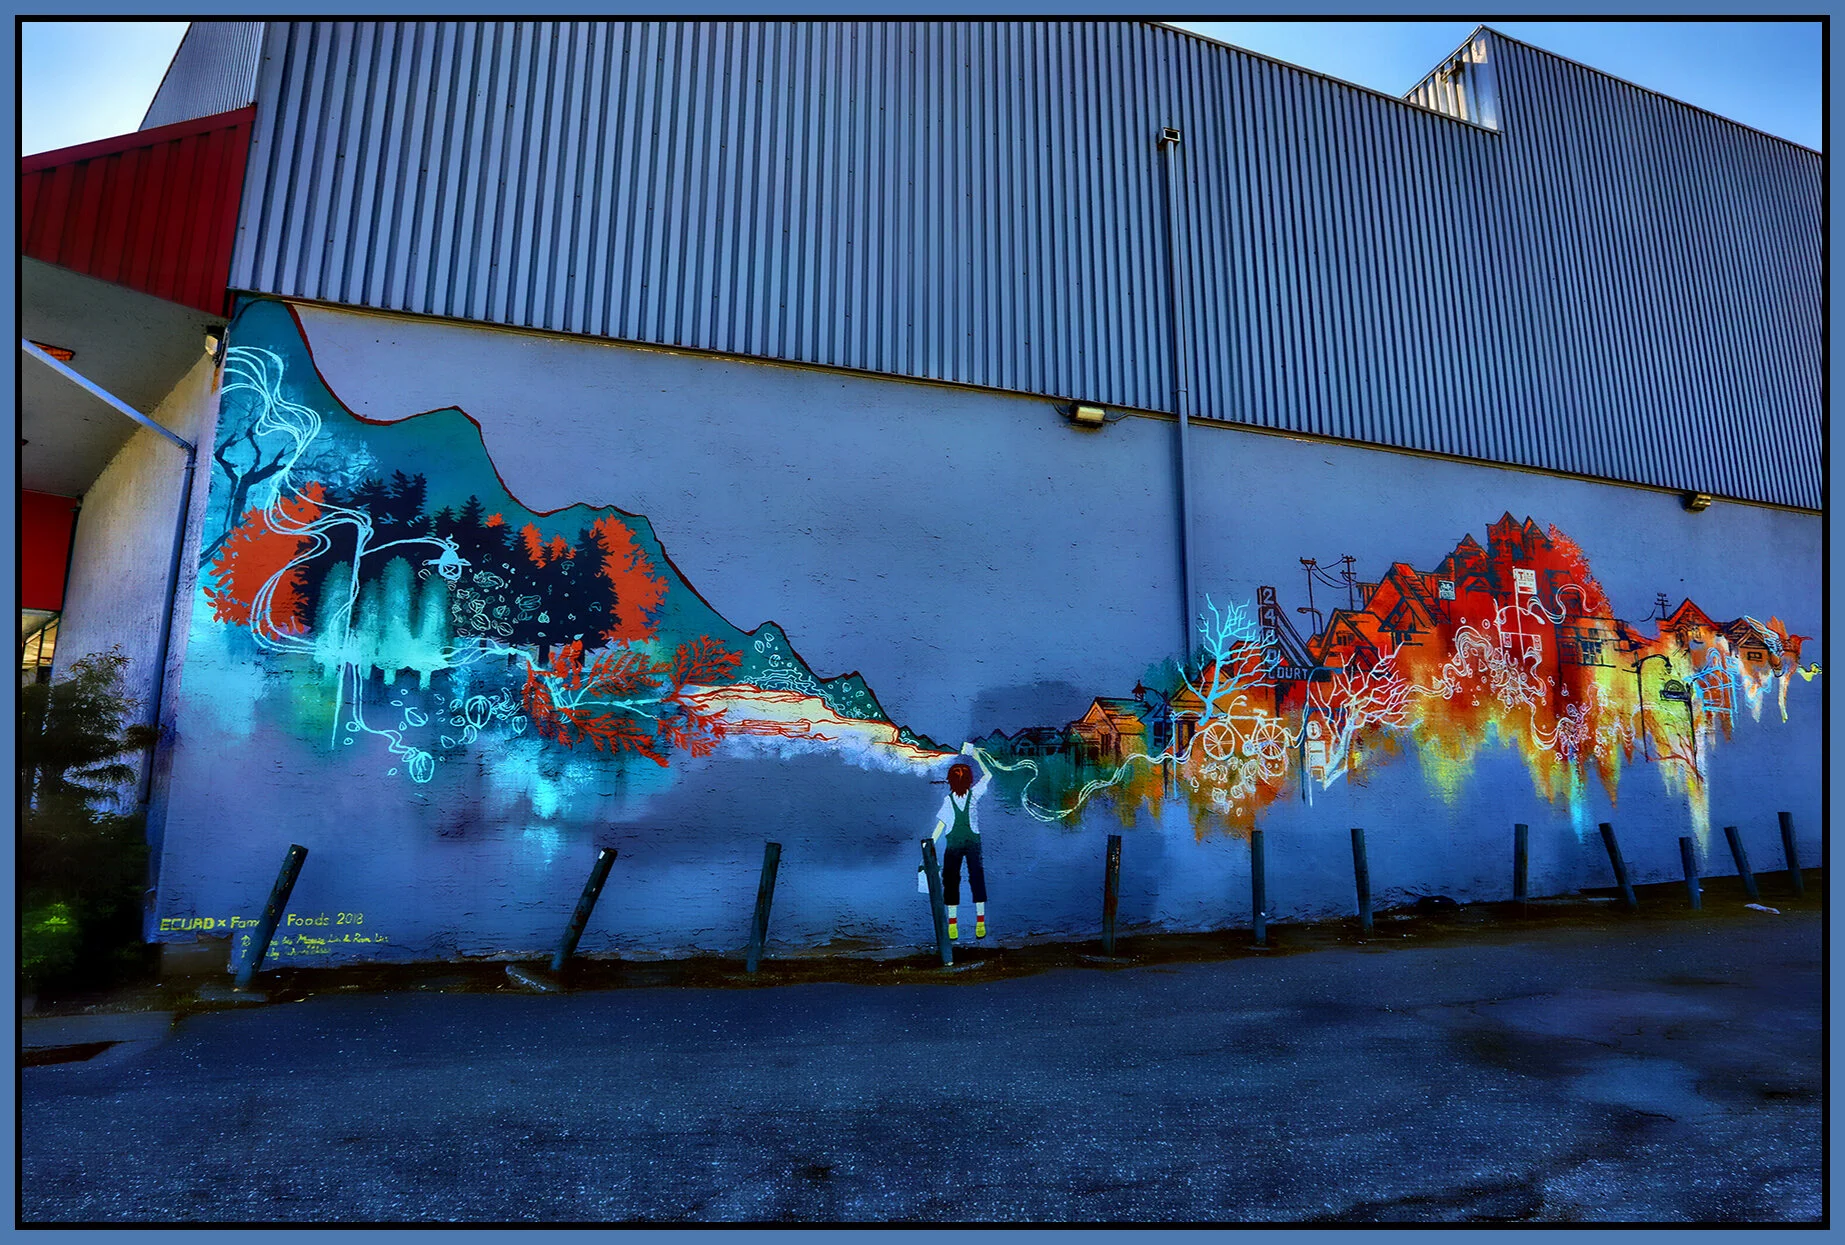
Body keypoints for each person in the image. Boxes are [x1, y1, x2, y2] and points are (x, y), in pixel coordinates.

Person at [925, 742, 992, 940]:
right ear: (970, 780)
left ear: (950, 782)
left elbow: (940, 827)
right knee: (976, 879)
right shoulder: (974, 795)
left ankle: (952, 925)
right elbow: (988, 776)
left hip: (953, 845)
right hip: (973, 844)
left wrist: (928, 845)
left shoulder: (948, 801)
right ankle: (980, 922)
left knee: (951, 882)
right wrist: (976, 756)